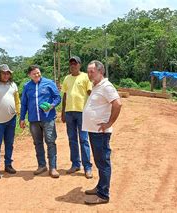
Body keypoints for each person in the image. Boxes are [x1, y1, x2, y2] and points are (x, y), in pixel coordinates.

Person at [82, 60, 122, 204]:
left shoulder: (106, 86)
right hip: (94, 130)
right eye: (88, 71)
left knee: (103, 163)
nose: (89, 73)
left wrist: (109, 123)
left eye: (92, 71)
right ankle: (100, 187)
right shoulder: (96, 85)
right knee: (99, 162)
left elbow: (118, 104)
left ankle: (104, 195)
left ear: (100, 71)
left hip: (101, 132)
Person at [20, 65, 61, 178]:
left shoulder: (49, 83)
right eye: (34, 74)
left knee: (50, 141)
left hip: (48, 118)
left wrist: (51, 106)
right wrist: (22, 118)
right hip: (33, 120)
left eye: (38, 72)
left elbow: (58, 97)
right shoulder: (27, 86)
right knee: (37, 143)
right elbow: (24, 103)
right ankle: (42, 165)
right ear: (29, 75)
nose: (37, 75)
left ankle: (53, 167)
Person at [61, 56, 93, 179]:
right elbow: (65, 96)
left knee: (84, 139)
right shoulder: (67, 78)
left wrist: (92, 110)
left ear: (80, 65)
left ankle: (87, 167)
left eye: (75, 63)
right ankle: (75, 164)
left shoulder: (85, 77)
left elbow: (90, 93)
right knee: (72, 139)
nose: (73, 66)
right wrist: (63, 113)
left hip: (82, 113)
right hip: (69, 113)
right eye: (71, 64)